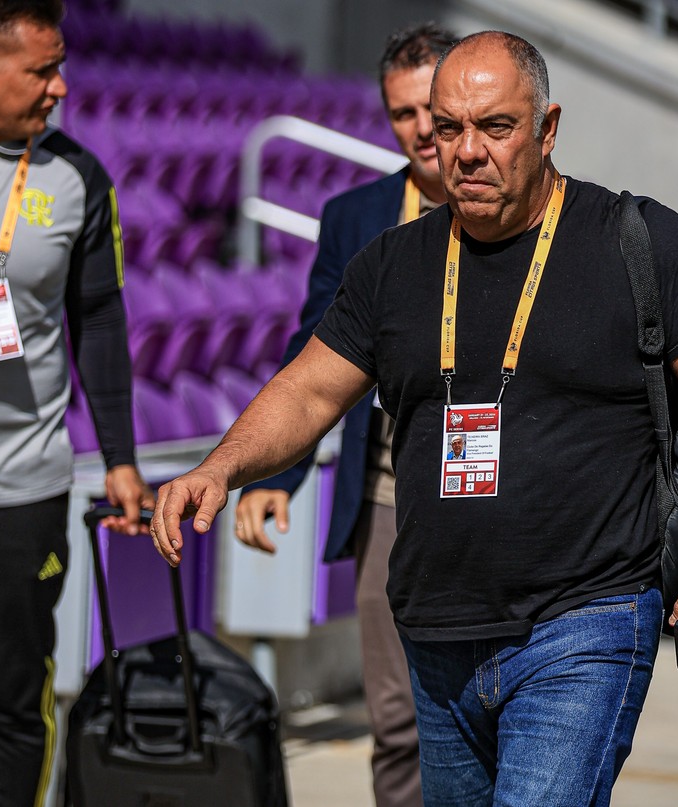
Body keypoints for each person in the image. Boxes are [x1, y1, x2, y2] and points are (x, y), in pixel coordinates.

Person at [151, 30, 678, 806]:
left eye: (496, 127)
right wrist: (221, 466)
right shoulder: (390, 264)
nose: (466, 151)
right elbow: (307, 390)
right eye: (448, 129)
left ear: (548, 130)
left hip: (586, 619)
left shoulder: (635, 241)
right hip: (438, 631)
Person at [235, 23, 457, 807]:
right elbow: (314, 355)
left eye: (434, 106)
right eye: (403, 114)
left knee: (493, 717)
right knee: (397, 719)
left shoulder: (527, 207)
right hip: (391, 502)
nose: (424, 129)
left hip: (503, 499)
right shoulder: (358, 216)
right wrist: (278, 472)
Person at [0, 2, 152, 804]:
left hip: (23, 486)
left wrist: (120, 456)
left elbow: (101, 322)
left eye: (62, 66)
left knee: (15, 696)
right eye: (42, 70)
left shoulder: (78, 176)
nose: (61, 88)